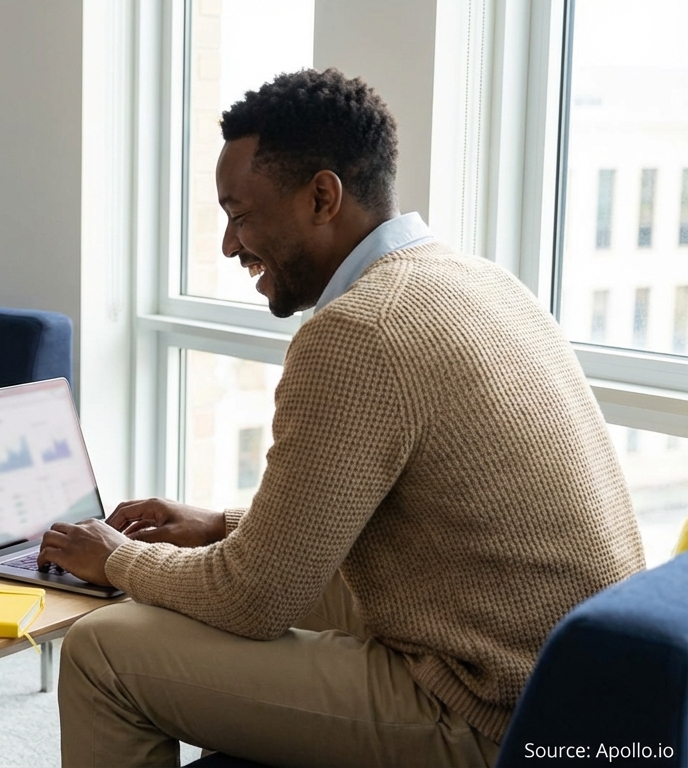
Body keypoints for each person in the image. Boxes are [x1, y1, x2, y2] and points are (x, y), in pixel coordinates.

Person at [37, 68, 645, 767]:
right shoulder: (476, 279)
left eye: (238, 214)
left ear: (322, 196)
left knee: (101, 649)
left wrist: (119, 559)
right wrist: (220, 528)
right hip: (568, 679)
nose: (231, 245)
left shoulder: (362, 332)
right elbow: (324, 542)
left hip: (490, 712)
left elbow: (256, 599)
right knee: (182, 592)